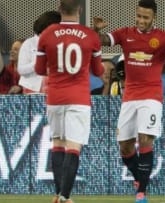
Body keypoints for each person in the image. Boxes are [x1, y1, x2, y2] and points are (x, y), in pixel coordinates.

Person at [93, 0, 165, 202]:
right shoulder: (125, 33)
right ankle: (140, 178)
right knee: (125, 147)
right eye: (138, 16)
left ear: (153, 18)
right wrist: (95, 29)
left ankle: (141, 194)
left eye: (145, 17)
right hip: (129, 96)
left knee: (145, 138)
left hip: (151, 96)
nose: (141, 20)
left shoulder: (163, 37)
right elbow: (100, 41)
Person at [35, 0, 108, 202]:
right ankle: (65, 196)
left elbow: (40, 70)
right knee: (73, 147)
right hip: (79, 98)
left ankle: (58, 195)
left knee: (57, 143)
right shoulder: (90, 36)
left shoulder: (47, 34)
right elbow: (98, 70)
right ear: (80, 10)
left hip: (55, 97)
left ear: (60, 9)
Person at [18, 10, 61, 94]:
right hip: (32, 88)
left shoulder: (61, 44)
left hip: (56, 88)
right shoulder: (29, 43)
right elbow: (21, 70)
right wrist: (38, 63)